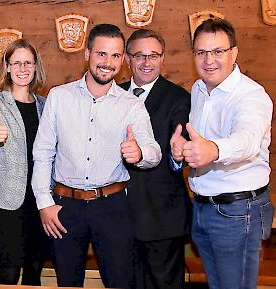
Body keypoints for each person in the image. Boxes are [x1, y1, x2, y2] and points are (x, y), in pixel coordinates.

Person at [31, 23, 161, 288]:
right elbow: (42, 153)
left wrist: (140, 153)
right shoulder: (59, 97)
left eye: (115, 56)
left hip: (112, 207)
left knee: (120, 282)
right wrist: (44, 203)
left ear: (123, 60)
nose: (107, 63)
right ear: (87, 54)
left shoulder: (132, 105)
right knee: (67, 282)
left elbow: (154, 152)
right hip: (64, 207)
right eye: (102, 54)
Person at [171, 18, 273, 289]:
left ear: (234, 53)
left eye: (218, 51)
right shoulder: (199, 89)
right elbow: (197, 142)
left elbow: (248, 140)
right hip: (204, 207)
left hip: (238, 212)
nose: (209, 60)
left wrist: (213, 150)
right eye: (201, 52)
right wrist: (182, 149)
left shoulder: (251, 96)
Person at [119, 29, 191, 289]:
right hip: (120, 218)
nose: (146, 62)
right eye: (140, 55)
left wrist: (177, 156)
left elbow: (179, 153)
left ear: (163, 59)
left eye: (153, 56)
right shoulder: (113, 95)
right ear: (127, 59)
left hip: (162, 218)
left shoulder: (179, 98)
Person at [0, 39, 48, 286]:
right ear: (7, 67)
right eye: (16, 62)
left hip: (39, 200)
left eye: (28, 62)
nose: (22, 68)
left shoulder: (45, 104)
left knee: (34, 271)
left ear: (35, 66)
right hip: (7, 200)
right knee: (8, 274)